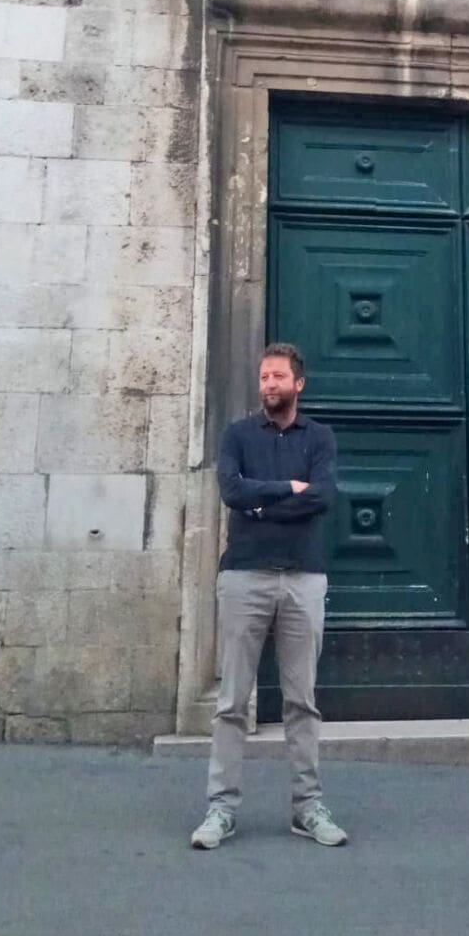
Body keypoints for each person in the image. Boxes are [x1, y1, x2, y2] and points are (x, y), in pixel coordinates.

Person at [190, 342, 348, 850]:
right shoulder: (236, 435)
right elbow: (232, 492)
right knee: (232, 701)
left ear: (298, 383)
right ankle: (220, 809)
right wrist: (287, 490)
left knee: (302, 702)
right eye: (264, 377)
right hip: (244, 577)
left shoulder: (320, 438)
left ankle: (308, 807)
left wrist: (262, 504)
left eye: (278, 376)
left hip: (304, 579)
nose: (269, 385)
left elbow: (323, 495)